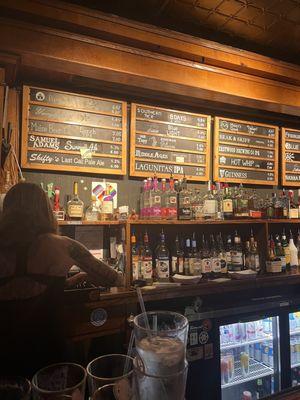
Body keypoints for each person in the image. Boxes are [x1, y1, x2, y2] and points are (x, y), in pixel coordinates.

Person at [0, 182, 123, 378]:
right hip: (49, 357)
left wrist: (67, 282)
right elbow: (115, 279)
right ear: (45, 210)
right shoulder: (63, 246)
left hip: (6, 360)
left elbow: (20, 286)